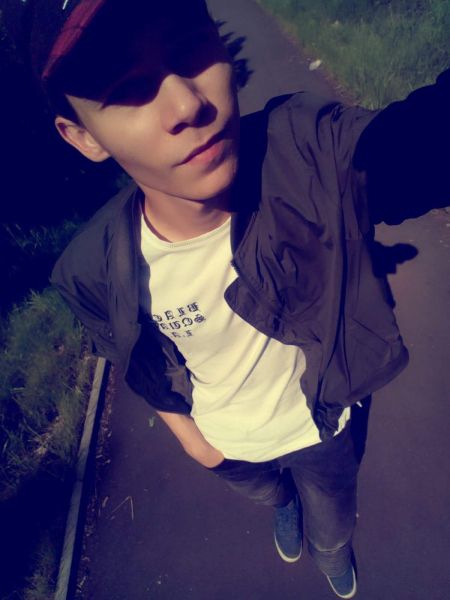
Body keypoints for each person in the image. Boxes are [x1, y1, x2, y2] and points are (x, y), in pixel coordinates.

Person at [10, 0, 449, 598]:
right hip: (230, 446)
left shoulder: (308, 157)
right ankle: (281, 502)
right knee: (273, 493)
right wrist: (191, 439)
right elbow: (128, 355)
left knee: (331, 522)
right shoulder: (91, 269)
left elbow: (417, 144)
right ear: (83, 136)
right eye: (127, 86)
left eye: (190, 44)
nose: (187, 104)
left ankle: (330, 549)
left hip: (321, 427)